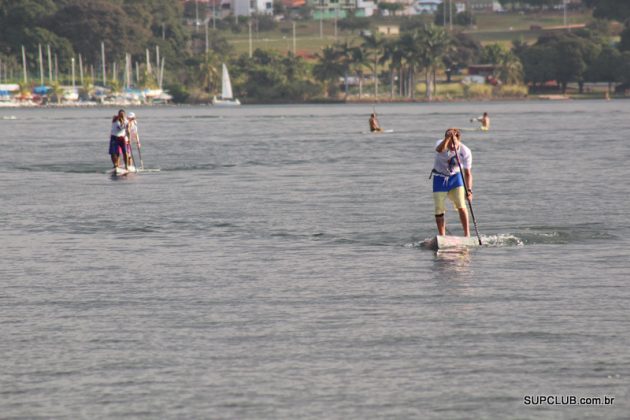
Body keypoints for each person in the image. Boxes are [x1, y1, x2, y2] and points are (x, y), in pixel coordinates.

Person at [430, 128, 473, 237]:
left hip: (455, 178)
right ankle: (442, 235)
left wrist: (469, 190)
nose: (452, 146)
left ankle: (467, 234)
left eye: (454, 143)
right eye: (449, 143)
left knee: (461, 205)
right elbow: (439, 150)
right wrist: (448, 138)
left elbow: (468, 173)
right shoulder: (440, 143)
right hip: (439, 178)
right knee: (439, 208)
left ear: (459, 140)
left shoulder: (465, 151)